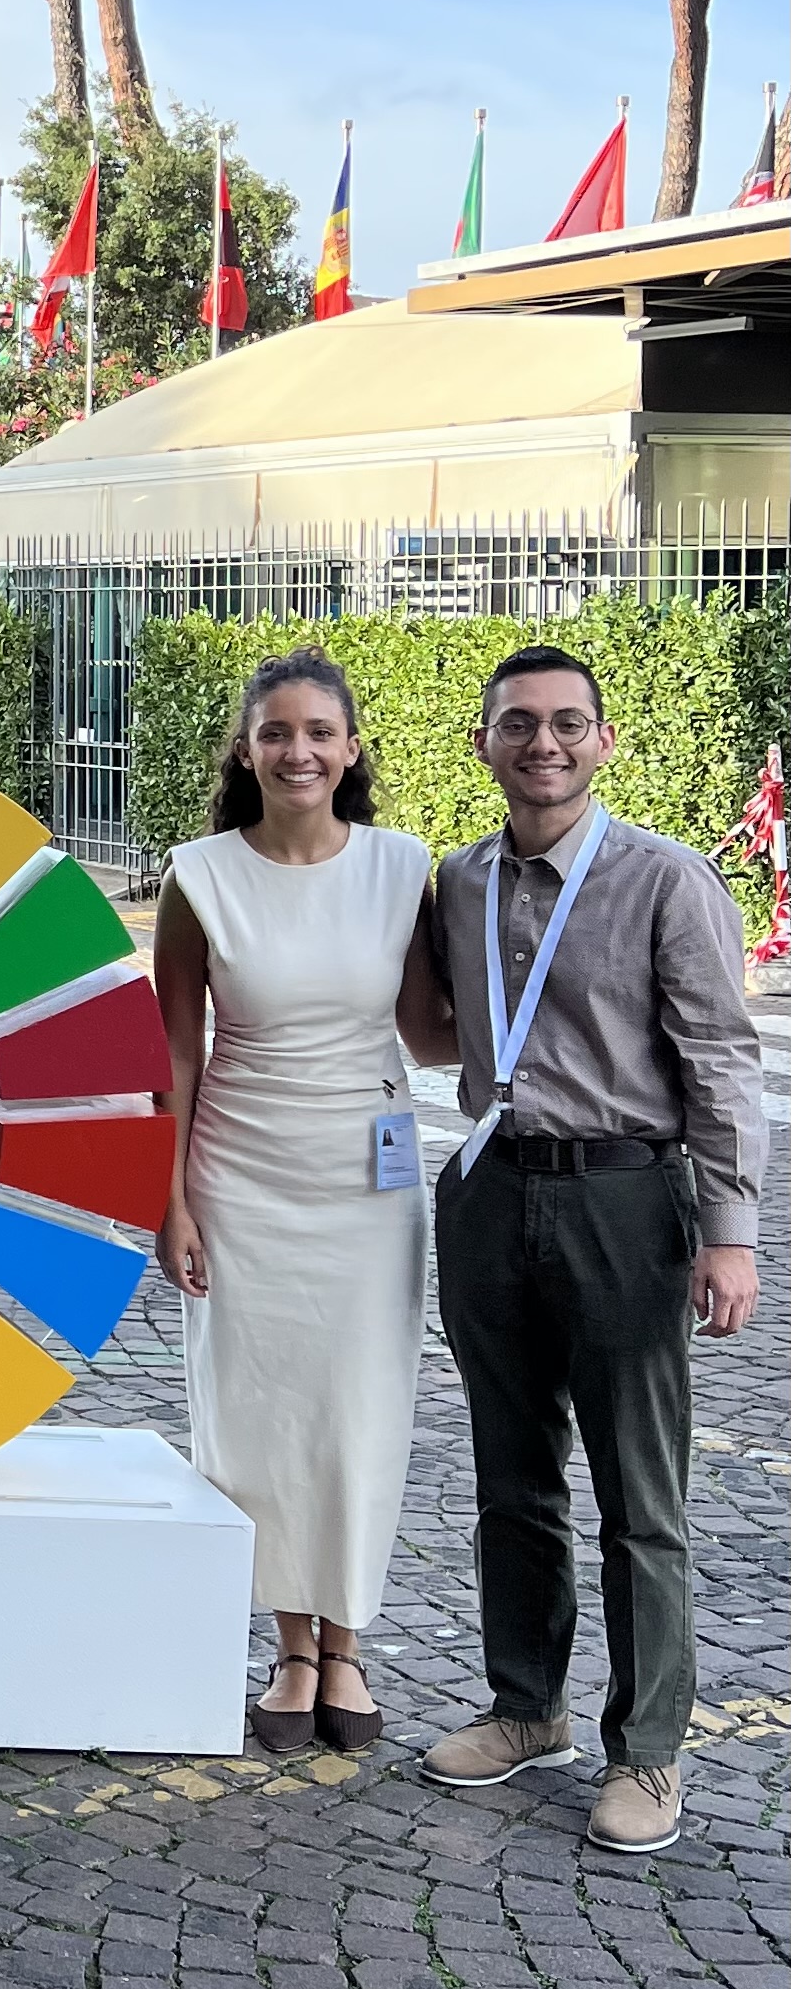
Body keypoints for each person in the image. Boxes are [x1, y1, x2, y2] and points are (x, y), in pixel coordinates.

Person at [416, 644, 762, 1855]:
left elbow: (722, 1057)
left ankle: (648, 1753)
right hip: (492, 1193)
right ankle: (527, 1707)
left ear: (603, 741)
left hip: (626, 1199)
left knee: (639, 1492)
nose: (544, 744)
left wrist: (729, 1233)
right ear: (484, 745)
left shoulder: (664, 879)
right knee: (510, 1475)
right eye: (519, 724)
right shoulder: (458, 882)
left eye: (568, 724)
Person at [155, 650, 446, 1754]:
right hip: (241, 1172)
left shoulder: (399, 867)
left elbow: (428, 1028)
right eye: (276, 732)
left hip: (366, 1184)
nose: (299, 751)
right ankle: (288, 1647)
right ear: (246, 749)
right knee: (259, 1411)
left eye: (320, 732)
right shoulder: (200, 874)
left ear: (352, 747)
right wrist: (171, 1195)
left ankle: (348, 1647)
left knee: (358, 1411)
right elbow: (176, 1048)